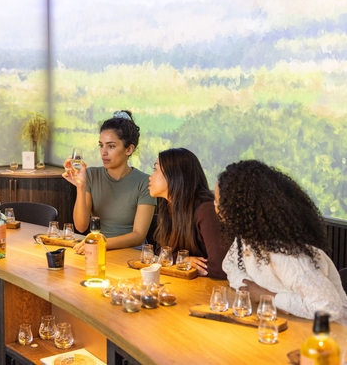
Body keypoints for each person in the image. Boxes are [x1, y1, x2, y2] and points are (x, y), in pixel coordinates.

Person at [216, 160, 347, 324]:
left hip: (329, 335)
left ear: (237, 208)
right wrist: (249, 289)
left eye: (218, 202)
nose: (215, 207)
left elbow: (329, 309)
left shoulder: (286, 255)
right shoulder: (248, 239)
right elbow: (230, 266)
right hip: (283, 321)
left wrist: (267, 296)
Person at [62, 110, 156, 253]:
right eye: (101, 145)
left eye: (111, 146)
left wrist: (102, 243)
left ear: (129, 149)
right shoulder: (91, 175)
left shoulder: (144, 182)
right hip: (97, 249)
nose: (103, 152)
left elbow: (138, 236)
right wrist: (81, 187)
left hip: (131, 253)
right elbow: (81, 227)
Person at [148, 148, 227, 278]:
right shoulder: (168, 206)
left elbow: (221, 267)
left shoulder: (206, 210)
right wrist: (183, 260)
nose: (150, 177)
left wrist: (182, 263)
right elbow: (160, 250)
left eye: (155, 169)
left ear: (175, 175)